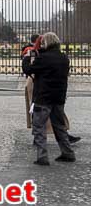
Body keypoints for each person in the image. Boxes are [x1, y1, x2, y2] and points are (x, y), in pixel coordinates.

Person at [22, 32, 75, 166]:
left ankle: (42, 157)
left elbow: (29, 70)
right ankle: (68, 152)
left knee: (39, 127)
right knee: (59, 126)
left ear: (45, 43)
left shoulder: (43, 58)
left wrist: (27, 58)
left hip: (43, 97)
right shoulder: (64, 58)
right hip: (58, 97)